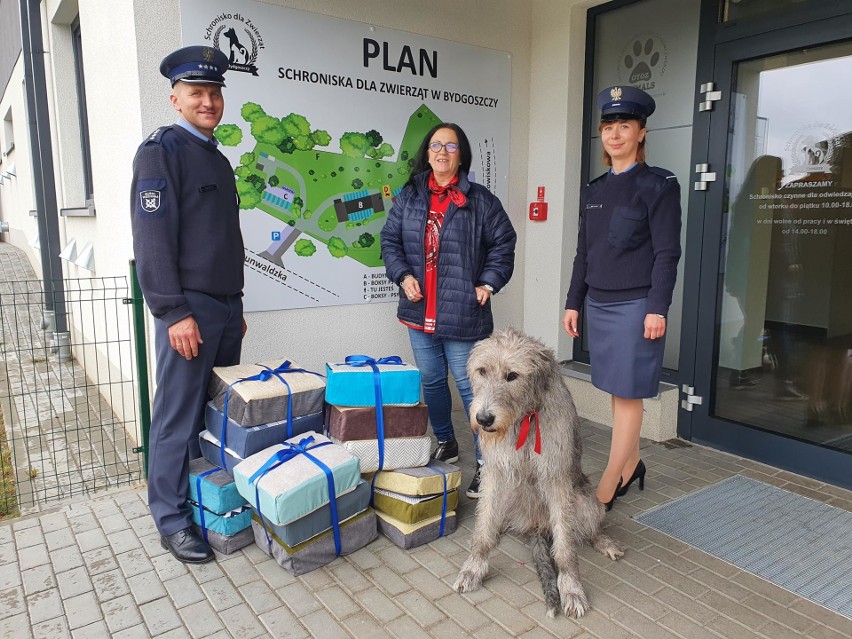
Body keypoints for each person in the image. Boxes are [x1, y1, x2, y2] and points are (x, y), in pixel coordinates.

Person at [130, 45, 246, 563]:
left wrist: (237, 304)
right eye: (197, 93)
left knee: (212, 414)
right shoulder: (161, 152)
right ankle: (172, 520)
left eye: (215, 92)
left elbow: (224, 238)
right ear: (175, 98)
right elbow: (152, 240)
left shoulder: (218, 159)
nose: (208, 101)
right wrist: (173, 312)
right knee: (177, 417)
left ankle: (204, 501)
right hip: (189, 310)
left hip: (223, 309)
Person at [380, 123, 517, 498]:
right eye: (436, 145)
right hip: (418, 309)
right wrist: (402, 274)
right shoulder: (410, 195)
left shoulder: (481, 200)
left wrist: (487, 283)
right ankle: (446, 441)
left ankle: (488, 462)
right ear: (427, 153)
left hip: (463, 312)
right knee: (432, 381)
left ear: (461, 154)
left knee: (471, 387)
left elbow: (504, 242)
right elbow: (389, 239)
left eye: (451, 146)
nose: (442, 152)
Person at [562, 86, 681, 511]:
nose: (615, 134)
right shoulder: (593, 190)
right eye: (608, 127)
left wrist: (657, 307)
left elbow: (668, 252)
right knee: (616, 389)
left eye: (624, 126)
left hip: (636, 307)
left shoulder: (658, 185)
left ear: (641, 132)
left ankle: (608, 483)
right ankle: (632, 464)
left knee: (629, 393)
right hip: (599, 303)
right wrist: (573, 301)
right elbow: (584, 252)